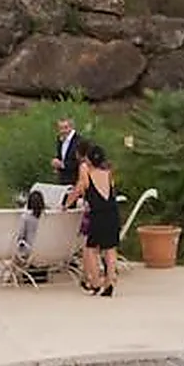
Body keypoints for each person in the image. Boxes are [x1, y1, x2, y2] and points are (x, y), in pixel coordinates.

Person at [68, 144, 121, 296]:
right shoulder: (108, 172)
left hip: (98, 214)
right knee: (110, 249)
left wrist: (66, 204)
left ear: (89, 160)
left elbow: (79, 189)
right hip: (112, 212)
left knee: (91, 248)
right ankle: (109, 282)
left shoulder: (87, 173)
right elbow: (111, 188)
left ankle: (96, 282)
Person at [52, 118, 83, 186]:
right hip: (63, 179)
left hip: (75, 180)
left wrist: (62, 165)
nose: (63, 131)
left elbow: (79, 161)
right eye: (60, 128)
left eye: (65, 128)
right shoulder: (60, 139)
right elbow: (61, 156)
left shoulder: (78, 141)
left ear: (71, 127)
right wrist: (56, 162)